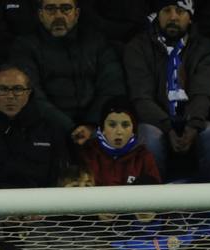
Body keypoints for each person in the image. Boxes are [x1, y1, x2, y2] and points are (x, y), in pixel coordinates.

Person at [124, 0, 210, 182]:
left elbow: (203, 93)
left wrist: (193, 125)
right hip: (156, 121)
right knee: (149, 137)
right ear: (158, 14)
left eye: (180, 11)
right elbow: (141, 98)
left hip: (193, 119)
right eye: (167, 10)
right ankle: (154, 207)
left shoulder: (204, 46)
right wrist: (168, 127)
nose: (173, 17)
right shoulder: (138, 46)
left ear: (190, 17)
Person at [10, 0, 127, 149]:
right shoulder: (25, 46)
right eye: (50, 9)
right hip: (46, 129)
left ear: (77, 14)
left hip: (96, 127)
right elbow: (32, 95)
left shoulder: (96, 41)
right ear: (40, 15)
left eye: (66, 9)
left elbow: (112, 86)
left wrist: (91, 124)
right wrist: (70, 128)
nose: (58, 15)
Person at [78, 97, 162, 185]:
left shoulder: (143, 157)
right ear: (103, 128)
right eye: (112, 125)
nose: (119, 131)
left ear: (133, 130)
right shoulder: (88, 154)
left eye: (125, 125)